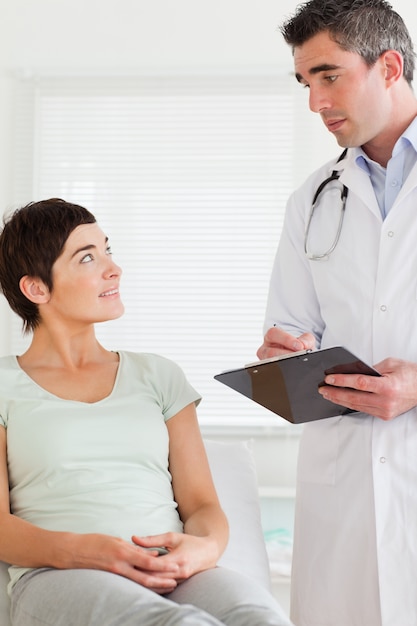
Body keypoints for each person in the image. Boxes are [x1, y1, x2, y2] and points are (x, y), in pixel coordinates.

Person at [0, 198, 292, 626]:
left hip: (171, 569)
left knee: (261, 618)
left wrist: (203, 549)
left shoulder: (158, 375)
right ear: (37, 289)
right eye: (87, 257)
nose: (113, 269)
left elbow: (202, 506)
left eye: (107, 250)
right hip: (60, 574)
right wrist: (89, 550)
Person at [256, 1, 417, 625]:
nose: (316, 102)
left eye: (329, 76)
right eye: (305, 83)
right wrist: (285, 354)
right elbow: (292, 324)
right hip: (343, 481)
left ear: (389, 66)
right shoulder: (312, 200)